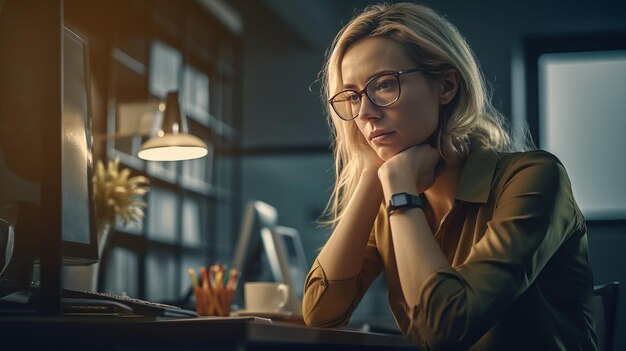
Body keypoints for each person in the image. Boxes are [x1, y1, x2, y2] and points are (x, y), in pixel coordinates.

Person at [301, 3, 597, 350]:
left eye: (383, 85)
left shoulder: (535, 178)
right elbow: (321, 312)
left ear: (446, 86)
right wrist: (370, 171)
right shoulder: (394, 202)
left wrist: (399, 191)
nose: (364, 113)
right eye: (352, 96)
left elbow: (446, 328)